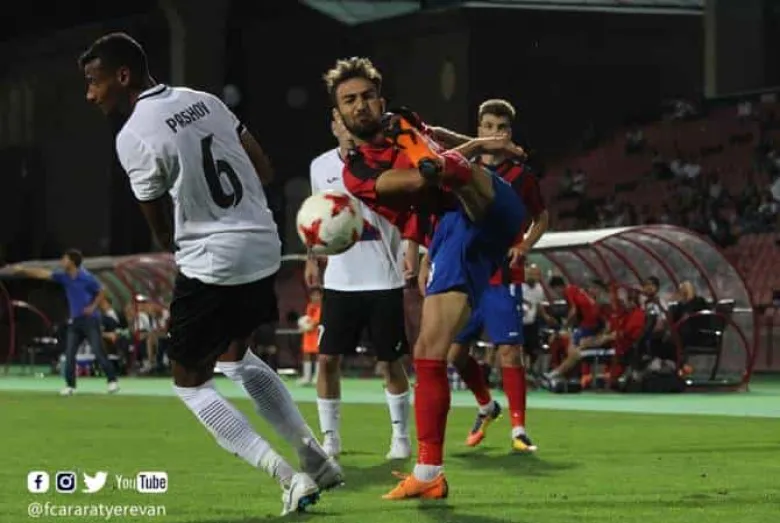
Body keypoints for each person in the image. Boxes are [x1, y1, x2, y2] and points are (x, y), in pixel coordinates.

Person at [78, 32, 340, 515]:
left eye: (95, 82)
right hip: (263, 243)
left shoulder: (133, 135)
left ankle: (290, 477)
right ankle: (314, 456)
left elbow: (159, 223)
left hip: (214, 257)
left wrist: (184, 238)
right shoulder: (204, 100)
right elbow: (262, 167)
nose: (90, 94)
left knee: (190, 384)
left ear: (123, 76)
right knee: (236, 358)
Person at [324, 57, 525, 499]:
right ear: (338, 115)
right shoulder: (357, 174)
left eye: (367, 96)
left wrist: (480, 143)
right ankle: (429, 472)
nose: (360, 105)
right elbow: (415, 183)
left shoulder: (404, 120)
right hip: (455, 234)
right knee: (429, 352)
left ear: (381, 100)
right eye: (349, 100)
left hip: (488, 204)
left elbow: (438, 138)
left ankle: (454, 172)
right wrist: (437, 161)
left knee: (451, 170)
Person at [440, 99, 548, 453]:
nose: (494, 133)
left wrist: (525, 244)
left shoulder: (522, 176)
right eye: (487, 126)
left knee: (510, 352)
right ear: (479, 129)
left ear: (509, 132)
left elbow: (542, 217)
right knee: (454, 355)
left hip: (503, 276)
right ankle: (487, 406)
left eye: (500, 128)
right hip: (467, 272)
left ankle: (519, 429)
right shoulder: (464, 169)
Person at [307, 118, 412, 460]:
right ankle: (330, 438)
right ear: (333, 125)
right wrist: (312, 258)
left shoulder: (389, 160)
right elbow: (317, 217)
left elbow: (411, 211)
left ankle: (400, 437)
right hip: (340, 279)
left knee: (390, 362)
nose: (348, 129)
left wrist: (411, 251)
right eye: (342, 122)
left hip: (384, 277)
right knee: (326, 360)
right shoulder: (320, 166)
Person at [13, 249, 119, 395]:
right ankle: (70, 386)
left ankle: (112, 381)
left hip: (90, 321)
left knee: (98, 351)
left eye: (64, 259)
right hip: (75, 321)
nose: (62, 261)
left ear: (72, 262)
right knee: (69, 354)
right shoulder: (64, 277)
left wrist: (92, 307)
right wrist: (24, 270)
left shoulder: (87, 277)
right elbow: (43, 274)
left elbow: (102, 290)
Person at [298, 287, 322, 386]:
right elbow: (308, 319)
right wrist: (303, 325)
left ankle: (317, 377)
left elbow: (316, 322)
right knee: (306, 355)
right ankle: (306, 377)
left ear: (321, 296)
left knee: (317, 355)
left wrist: (305, 327)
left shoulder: (322, 308)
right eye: (313, 295)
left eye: (317, 295)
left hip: (318, 334)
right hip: (308, 335)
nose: (315, 297)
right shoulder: (309, 306)